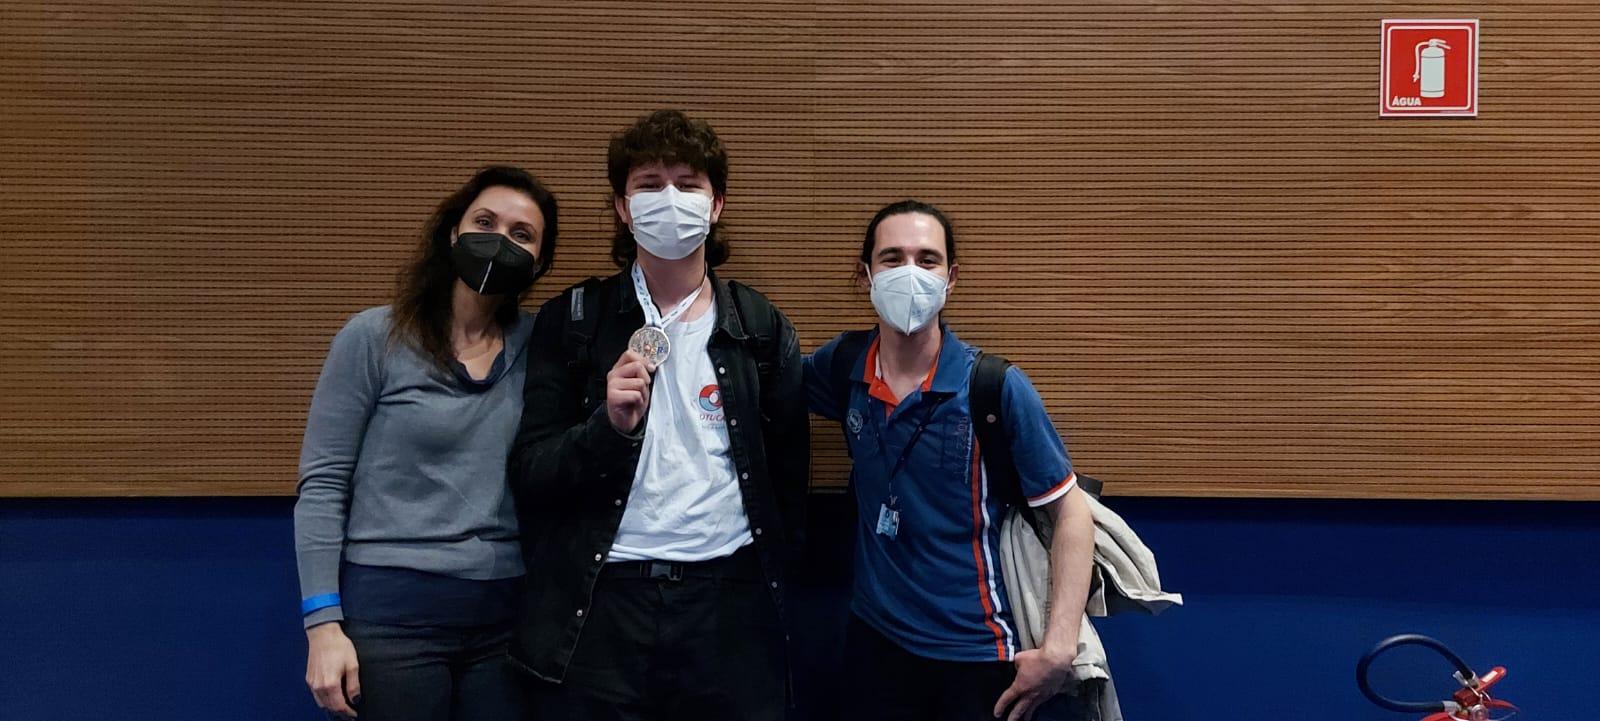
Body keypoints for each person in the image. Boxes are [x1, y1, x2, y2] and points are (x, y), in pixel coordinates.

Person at [506, 109, 808, 721]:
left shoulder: (758, 326)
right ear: (623, 207)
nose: (669, 198)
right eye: (649, 184)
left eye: (687, 184)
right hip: (602, 601)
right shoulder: (575, 320)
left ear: (715, 205)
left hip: (728, 602)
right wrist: (607, 430)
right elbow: (531, 473)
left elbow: (788, 482)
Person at [804, 200, 1096, 721]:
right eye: (892, 258)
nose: (910, 273)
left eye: (927, 259)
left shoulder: (994, 387)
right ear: (866, 275)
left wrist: (1059, 647)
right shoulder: (843, 366)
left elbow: (1070, 510)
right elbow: (756, 382)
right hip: (874, 643)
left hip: (977, 653)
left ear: (951, 278)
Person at [294, 166, 558, 720]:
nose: (499, 241)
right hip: (392, 621)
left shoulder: (544, 347)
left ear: (538, 262)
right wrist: (322, 625)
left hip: (505, 621)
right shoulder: (374, 337)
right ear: (453, 233)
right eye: (484, 223)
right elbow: (323, 484)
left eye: (521, 234)